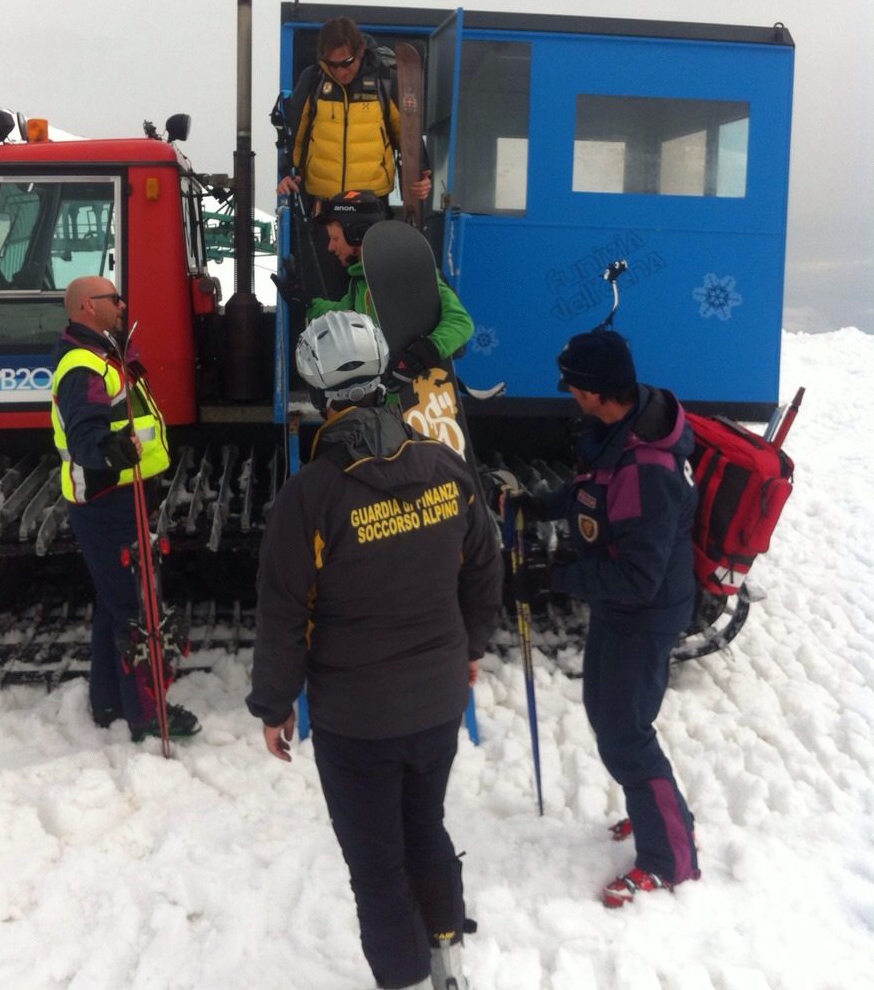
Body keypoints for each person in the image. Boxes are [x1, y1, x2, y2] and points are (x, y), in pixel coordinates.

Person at [246, 311, 503, 990]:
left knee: (377, 865)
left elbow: (281, 615)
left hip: (357, 720)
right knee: (427, 826)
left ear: (320, 395)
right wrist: (471, 644)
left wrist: (273, 704)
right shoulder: (444, 464)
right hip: (438, 696)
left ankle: (408, 978)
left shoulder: (311, 497)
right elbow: (485, 564)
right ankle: (448, 958)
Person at [517, 328, 700, 907]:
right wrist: (537, 505)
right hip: (620, 609)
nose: (566, 390)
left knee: (626, 732)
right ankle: (653, 810)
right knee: (611, 717)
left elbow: (638, 579)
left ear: (596, 390)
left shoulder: (646, 467)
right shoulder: (618, 429)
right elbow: (588, 492)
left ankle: (670, 858)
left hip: (644, 613)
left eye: (571, 382)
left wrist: (552, 578)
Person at [51, 276, 200, 743]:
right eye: (114, 298)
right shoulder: (83, 365)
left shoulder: (104, 354)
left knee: (114, 603)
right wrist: (111, 450)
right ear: (87, 307)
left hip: (120, 493)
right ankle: (146, 715)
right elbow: (84, 435)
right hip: (107, 499)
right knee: (136, 609)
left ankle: (109, 701)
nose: (122, 303)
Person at [273, 190, 474, 380]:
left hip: (412, 399)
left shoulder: (409, 270)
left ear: (357, 233)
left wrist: (420, 356)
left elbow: (460, 323)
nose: (330, 247)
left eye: (334, 238)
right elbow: (342, 314)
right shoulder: (360, 282)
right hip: (379, 398)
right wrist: (304, 302)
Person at [276, 16, 432, 204]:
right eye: (332, 64)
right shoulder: (312, 79)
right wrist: (287, 173)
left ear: (360, 51)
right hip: (323, 200)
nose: (341, 71)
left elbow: (407, 136)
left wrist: (422, 175)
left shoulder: (384, 79)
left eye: (347, 62)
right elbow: (295, 135)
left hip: (372, 200)